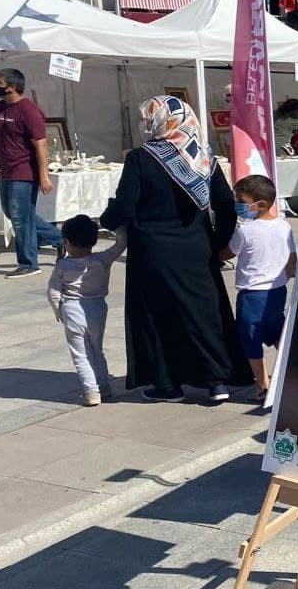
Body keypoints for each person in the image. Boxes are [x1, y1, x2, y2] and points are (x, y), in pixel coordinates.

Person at [100, 95, 252, 403]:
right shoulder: (202, 156)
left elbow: (126, 206)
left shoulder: (141, 157)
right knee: (205, 312)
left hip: (152, 251)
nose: (145, 124)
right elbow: (225, 203)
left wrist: (106, 219)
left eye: (148, 118)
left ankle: (168, 385)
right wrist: (217, 242)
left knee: (159, 317)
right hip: (197, 247)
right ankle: (217, 380)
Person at [220, 175, 296, 402]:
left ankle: (263, 384)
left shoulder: (246, 231)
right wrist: (287, 275)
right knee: (275, 331)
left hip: (252, 293)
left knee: (250, 337)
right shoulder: (284, 225)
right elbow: (292, 257)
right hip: (278, 289)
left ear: (260, 204)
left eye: (241, 200)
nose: (238, 205)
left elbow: (228, 253)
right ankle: (290, 370)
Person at [0, 69, 64, 279]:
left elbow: (41, 145)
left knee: (21, 219)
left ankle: (29, 263)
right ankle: (60, 238)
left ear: (12, 86)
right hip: (6, 172)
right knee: (14, 214)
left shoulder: (29, 110)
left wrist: (44, 176)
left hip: (24, 172)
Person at [47, 216, 127, 406]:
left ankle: (91, 391)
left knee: (81, 354)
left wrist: (57, 310)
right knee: (96, 349)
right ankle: (104, 386)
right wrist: (118, 225)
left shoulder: (62, 265)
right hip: (98, 308)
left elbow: (53, 291)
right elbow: (121, 245)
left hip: (73, 309)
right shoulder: (102, 259)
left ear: (66, 242)